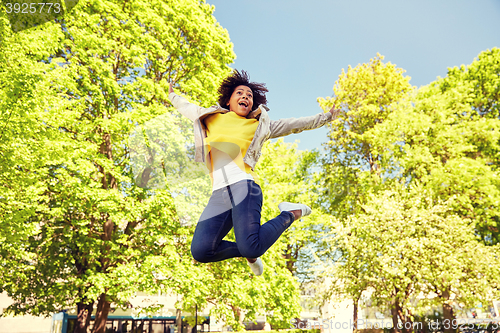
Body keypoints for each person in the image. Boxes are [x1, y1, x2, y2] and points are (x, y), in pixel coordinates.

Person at [168, 70, 340, 275]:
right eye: (240, 93)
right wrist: (172, 96)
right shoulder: (210, 118)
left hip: (244, 186)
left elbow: (294, 125)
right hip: (219, 193)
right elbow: (188, 108)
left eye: (249, 96)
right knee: (202, 251)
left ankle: (291, 214)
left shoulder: (259, 125)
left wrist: (326, 117)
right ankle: (250, 252)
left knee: (251, 245)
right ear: (229, 101)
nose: (245, 97)